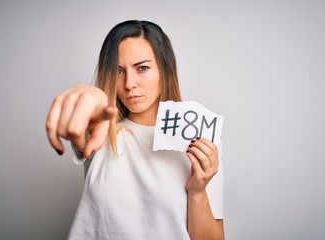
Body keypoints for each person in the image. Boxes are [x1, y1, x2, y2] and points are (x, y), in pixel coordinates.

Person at [46, 20, 224, 240]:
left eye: (142, 68)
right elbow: (89, 115)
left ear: (165, 69)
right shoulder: (101, 130)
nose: (129, 83)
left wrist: (197, 191)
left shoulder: (197, 137)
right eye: (118, 71)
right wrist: (95, 95)